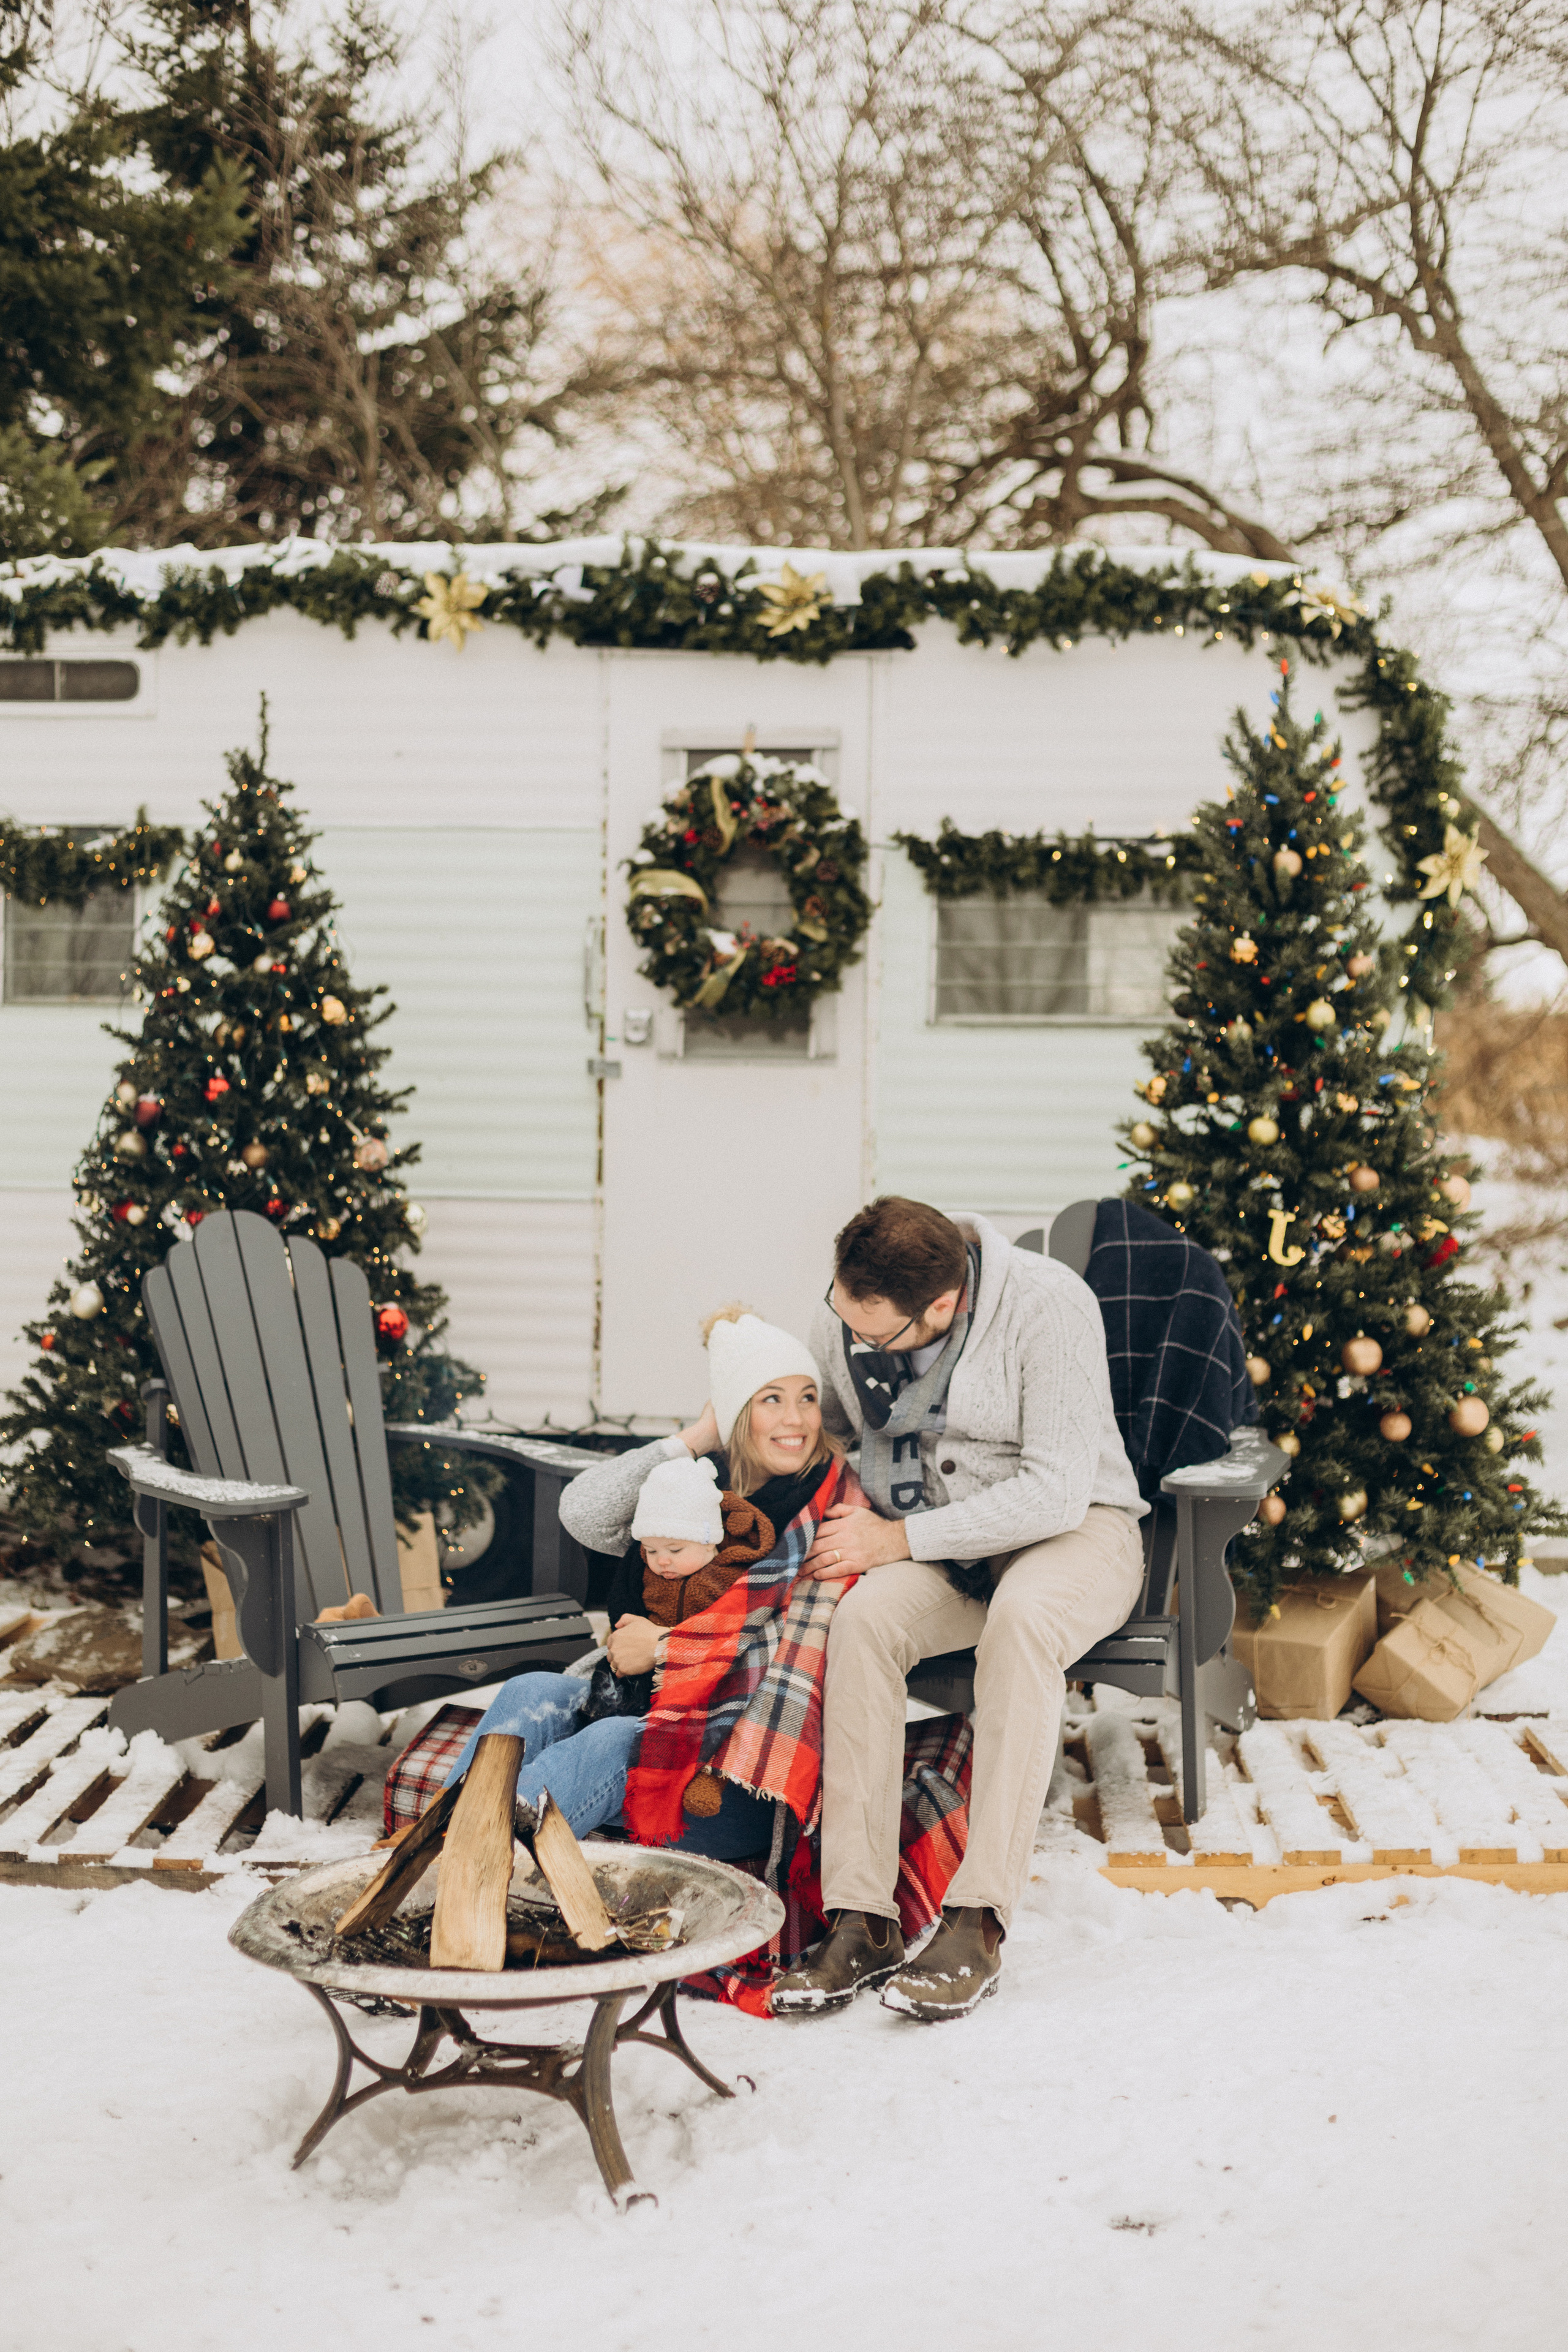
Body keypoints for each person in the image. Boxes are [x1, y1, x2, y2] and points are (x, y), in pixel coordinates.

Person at [771, 1196, 1146, 2022]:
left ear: (942, 1306)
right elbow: (820, 1429)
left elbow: (1055, 1490)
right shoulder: (850, 1312)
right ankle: (862, 1918)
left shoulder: (1047, 1306)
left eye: (876, 1338)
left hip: (1078, 1531)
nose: (853, 1343)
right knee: (864, 1622)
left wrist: (897, 1539)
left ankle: (977, 1920)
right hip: (944, 1544)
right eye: (844, 1317)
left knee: (1023, 1622)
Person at [440, 1304, 846, 1867]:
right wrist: (696, 1438)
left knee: (611, 1743)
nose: (796, 1418)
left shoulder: (826, 1511)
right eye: (770, 1399)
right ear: (736, 1412)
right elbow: (583, 1511)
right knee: (530, 1692)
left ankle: (462, 1866)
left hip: (731, 1775)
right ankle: (442, 1842)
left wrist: (667, 1648)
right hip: (643, 1714)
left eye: (808, 1397)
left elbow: (808, 1648)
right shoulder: (692, 1495)